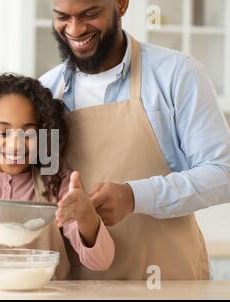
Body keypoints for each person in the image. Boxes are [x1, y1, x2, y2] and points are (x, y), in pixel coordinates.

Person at [39, 0, 230, 280]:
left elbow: (222, 173)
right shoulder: (45, 92)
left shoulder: (177, 74)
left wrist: (134, 196)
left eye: (89, 14)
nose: (75, 29)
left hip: (169, 280)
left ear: (121, 4)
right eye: (62, 17)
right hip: (81, 286)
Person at [0, 74, 115, 280]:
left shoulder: (56, 182)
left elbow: (101, 261)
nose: (16, 145)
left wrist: (86, 215)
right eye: (2, 133)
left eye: (28, 134)